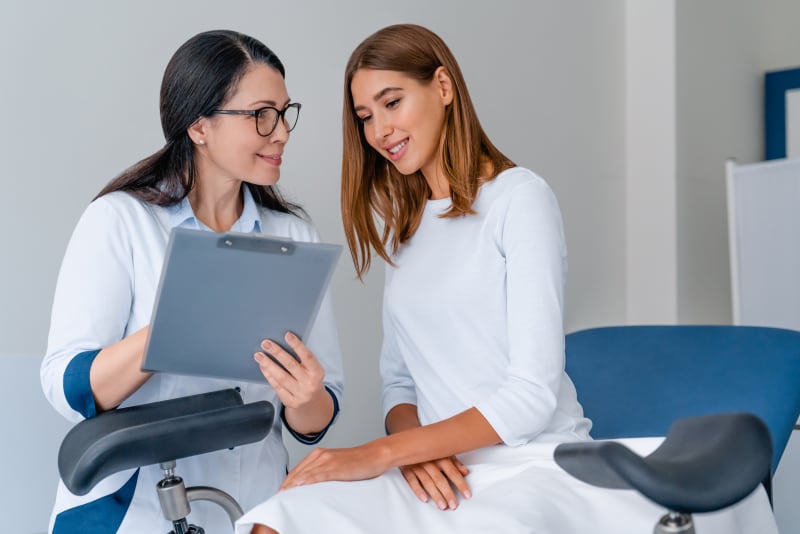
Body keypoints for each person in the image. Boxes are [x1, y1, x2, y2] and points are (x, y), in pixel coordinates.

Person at [236, 24, 777, 534]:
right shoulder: (406, 230)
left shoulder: (520, 199)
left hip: (533, 465)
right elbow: (400, 384)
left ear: (443, 86)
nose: (379, 131)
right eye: (364, 117)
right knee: (281, 516)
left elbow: (531, 396)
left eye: (392, 102)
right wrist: (416, 448)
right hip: (438, 470)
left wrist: (382, 452)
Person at [40, 29, 344, 534]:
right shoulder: (121, 220)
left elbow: (316, 417)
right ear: (200, 127)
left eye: (285, 114)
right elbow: (67, 386)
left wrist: (306, 395)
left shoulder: (294, 235)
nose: (282, 133)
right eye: (261, 115)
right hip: (132, 514)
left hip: (255, 511)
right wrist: (172, 328)